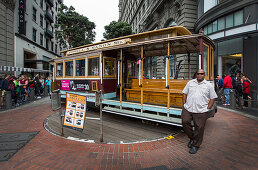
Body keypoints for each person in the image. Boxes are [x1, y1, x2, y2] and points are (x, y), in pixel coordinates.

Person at [182, 69, 217, 154]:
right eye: (198, 73)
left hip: (201, 110)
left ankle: (195, 145)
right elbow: (184, 93)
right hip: (188, 108)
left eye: (201, 74)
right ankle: (192, 138)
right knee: (185, 122)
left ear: (204, 75)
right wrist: (184, 103)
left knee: (199, 128)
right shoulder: (190, 83)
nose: (200, 75)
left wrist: (208, 108)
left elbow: (213, 97)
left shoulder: (208, 85)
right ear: (196, 74)